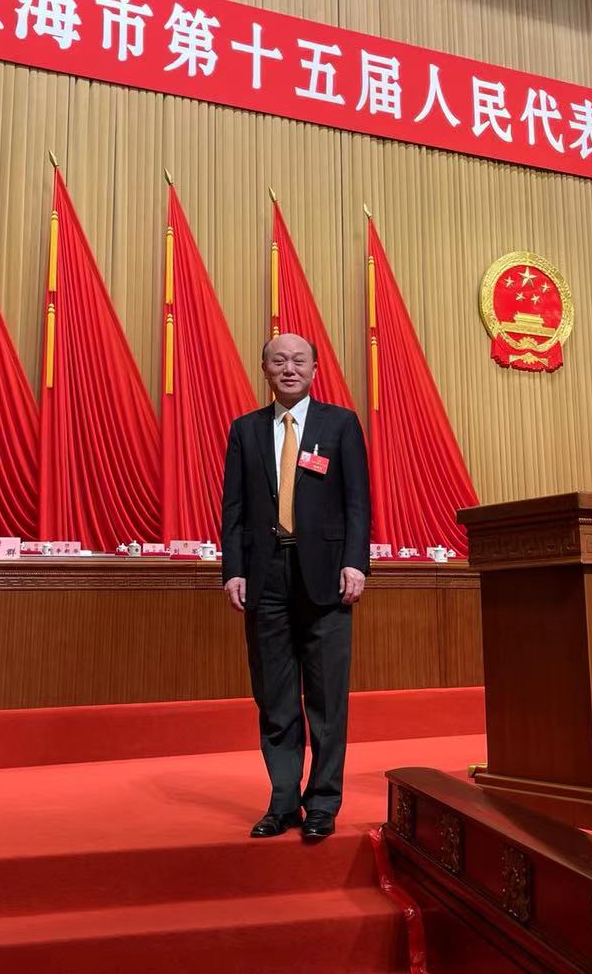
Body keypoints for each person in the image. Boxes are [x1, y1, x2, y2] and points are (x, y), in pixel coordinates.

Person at [221, 332, 371, 840]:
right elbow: (234, 508)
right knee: (275, 696)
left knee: (327, 699)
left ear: (314, 369)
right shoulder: (245, 430)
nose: (289, 368)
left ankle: (323, 802)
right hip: (265, 575)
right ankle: (283, 801)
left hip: (327, 575)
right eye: (279, 360)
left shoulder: (340, 424)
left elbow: (357, 502)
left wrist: (356, 563)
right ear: (265, 369)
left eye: (299, 360)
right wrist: (233, 569)